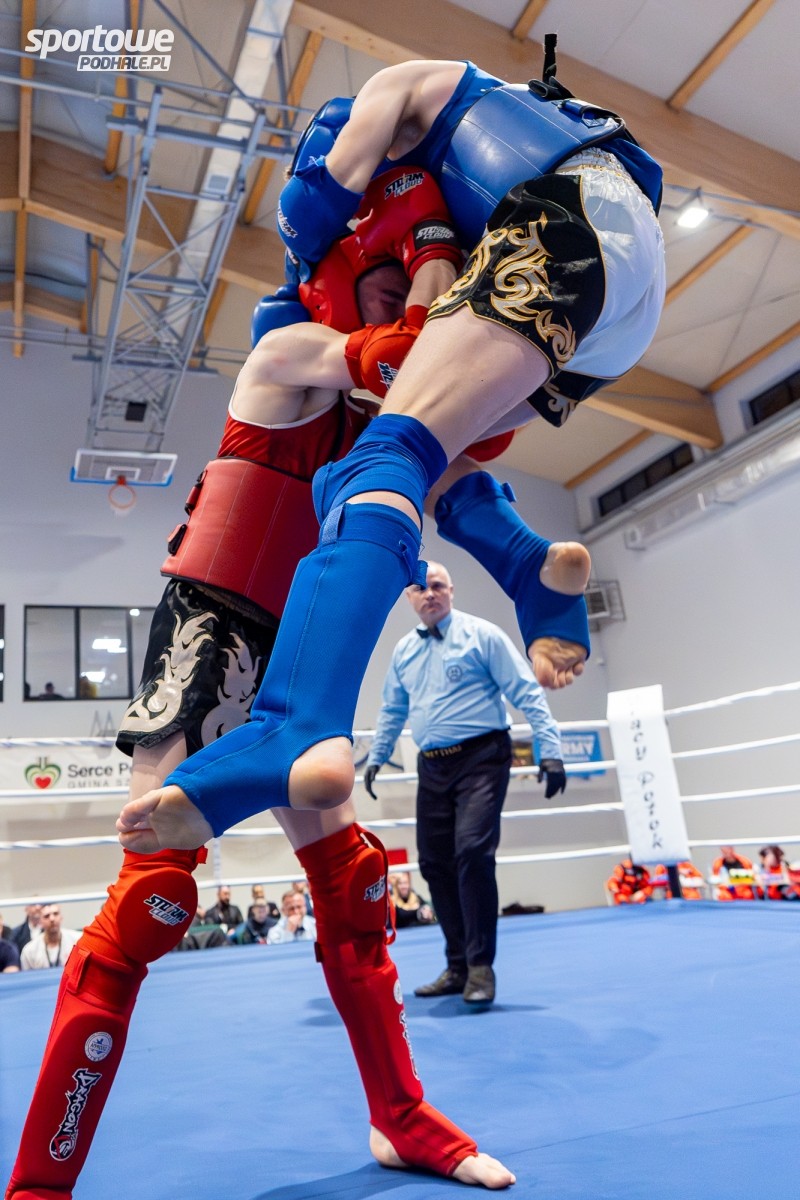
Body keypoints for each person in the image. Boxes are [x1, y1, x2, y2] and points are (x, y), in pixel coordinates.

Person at [6, 169, 513, 1198]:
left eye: (410, 270)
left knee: (356, 890)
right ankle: (39, 1184)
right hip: (212, 640)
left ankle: (401, 1117)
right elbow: (405, 353)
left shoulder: (391, 430)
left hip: (304, 656)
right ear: (338, 271)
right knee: (149, 903)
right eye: (381, 269)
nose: (400, 282)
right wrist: (429, 242)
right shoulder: (288, 355)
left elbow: (463, 456)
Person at [117, 45, 665, 866]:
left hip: (569, 222)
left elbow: (313, 198)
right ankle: (531, 566)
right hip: (620, 306)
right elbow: (424, 369)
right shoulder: (502, 146)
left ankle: (301, 723)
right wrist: (428, 242)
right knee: (424, 447)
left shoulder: (408, 87)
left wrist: (392, 235)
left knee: (384, 454)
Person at [365, 561, 566, 1005]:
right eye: (421, 588)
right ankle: (457, 965)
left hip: (482, 757)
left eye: (437, 586)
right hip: (432, 765)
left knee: (472, 852)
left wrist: (549, 749)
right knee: (434, 863)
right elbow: (392, 709)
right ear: (409, 597)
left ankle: (480, 967)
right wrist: (377, 756)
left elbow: (526, 692)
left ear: (451, 590)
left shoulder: (483, 635)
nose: (429, 594)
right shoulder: (404, 651)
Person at [20, 905, 81, 971]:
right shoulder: (29, 950)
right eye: (47, 916)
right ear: (40, 922)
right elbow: (27, 976)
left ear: (61, 917)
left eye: (55, 914)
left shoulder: (78, 940)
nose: (52, 919)